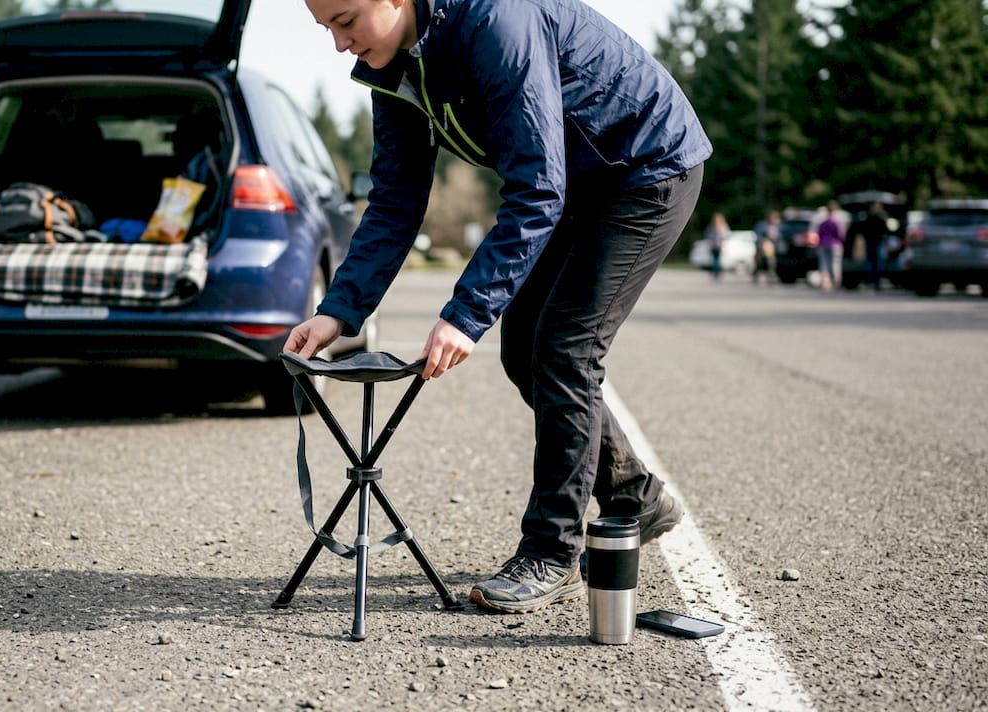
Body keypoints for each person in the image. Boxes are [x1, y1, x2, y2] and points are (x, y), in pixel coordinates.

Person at [289, 0, 711, 614]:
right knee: (523, 354)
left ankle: (550, 550)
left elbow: (536, 185)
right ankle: (634, 496)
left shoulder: (495, 23)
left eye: (346, 21)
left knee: (565, 348)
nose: (338, 44)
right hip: (575, 185)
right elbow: (395, 201)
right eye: (326, 27)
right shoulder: (393, 67)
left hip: (644, 170)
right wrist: (339, 310)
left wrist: (465, 313)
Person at [857, 201, 890, 291]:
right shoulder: (868, 218)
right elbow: (863, 230)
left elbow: (886, 230)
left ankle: (877, 281)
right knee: (870, 263)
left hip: (878, 243)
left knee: (879, 262)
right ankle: (870, 281)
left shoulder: (881, 217)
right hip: (870, 243)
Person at [815, 200, 845, 291]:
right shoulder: (837, 221)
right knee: (835, 264)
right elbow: (841, 234)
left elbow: (819, 234)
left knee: (824, 264)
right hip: (835, 244)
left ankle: (825, 282)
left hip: (823, 244)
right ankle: (836, 282)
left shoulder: (823, 222)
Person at [752, 210, 781, 285]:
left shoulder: (778, 226)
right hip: (762, 246)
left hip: (773, 248)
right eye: (773, 218)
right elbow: (758, 236)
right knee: (760, 263)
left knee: (771, 262)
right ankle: (756, 275)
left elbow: (779, 237)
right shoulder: (762, 225)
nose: (775, 220)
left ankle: (771, 276)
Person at [704, 212, 730, 280]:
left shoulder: (713, 227)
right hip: (717, 246)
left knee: (716, 260)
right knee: (717, 260)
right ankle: (717, 273)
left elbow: (708, 235)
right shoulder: (722, 227)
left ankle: (716, 273)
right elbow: (726, 235)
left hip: (716, 245)